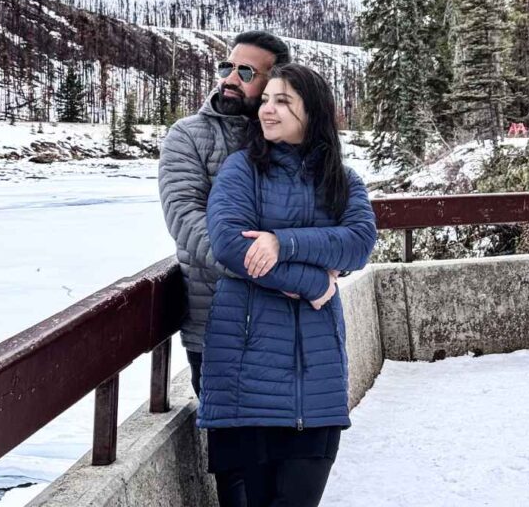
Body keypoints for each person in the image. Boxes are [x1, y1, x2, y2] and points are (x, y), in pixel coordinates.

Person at [198, 63, 378, 507]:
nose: (267, 110)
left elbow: (358, 243)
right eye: (266, 100)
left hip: (317, 382)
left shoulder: (342, 179)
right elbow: (230, 245)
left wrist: (283, 243)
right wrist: (314, 281)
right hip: (244, 380)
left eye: (283, 101)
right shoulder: (242, 170)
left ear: (312, 112)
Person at [158, 30, 290, 505]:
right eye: (226, 67)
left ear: (275, 82)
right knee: (236, 461)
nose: (231, 78)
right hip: (216, 323)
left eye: (246, 72)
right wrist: (260, 271)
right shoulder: (187, 135)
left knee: (285, 457)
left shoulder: (289, 135)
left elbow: (323, 213)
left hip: (285, 323)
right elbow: (185, 217)